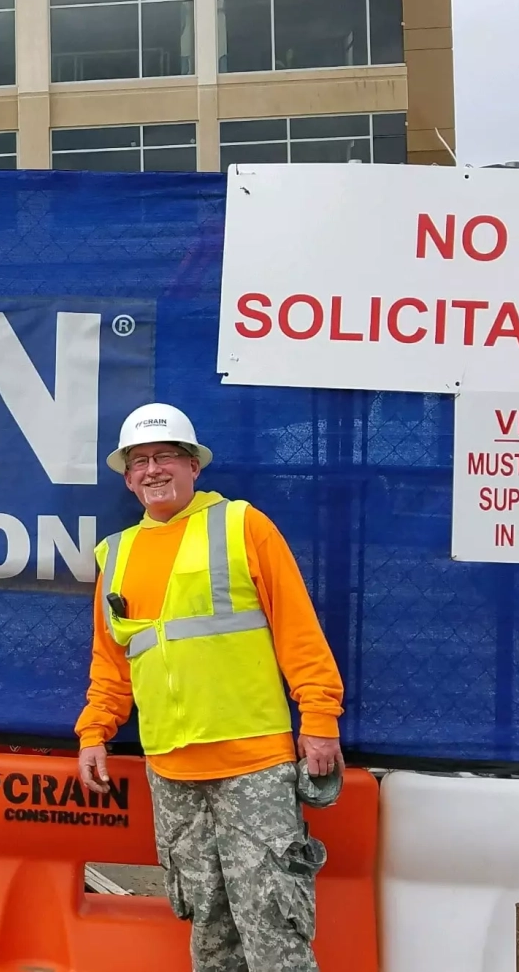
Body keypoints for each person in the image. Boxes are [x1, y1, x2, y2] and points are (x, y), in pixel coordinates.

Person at [75, 402, 344, 972]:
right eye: (140, 461)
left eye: (166, 456)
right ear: (126, 477)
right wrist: (94, 731)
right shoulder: (116, 554)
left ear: (193, 466)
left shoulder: (241, 524)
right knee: (209, 932)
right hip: (172, 772)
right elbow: (112, 663)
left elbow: (298, 629)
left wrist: (318, 719)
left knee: (274, 930)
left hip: (253, 766)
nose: (153, 470)